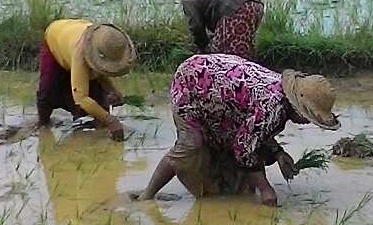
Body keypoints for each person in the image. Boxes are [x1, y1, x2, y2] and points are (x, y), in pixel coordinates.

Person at [133, 54, 340, 206]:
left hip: (215, 92)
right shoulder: (273, 105)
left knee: (233, 162)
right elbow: (244, 147)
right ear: (296, 104)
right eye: (309, 116)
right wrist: (265, 189)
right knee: (190, 145)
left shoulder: (279, 96)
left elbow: (253, 129)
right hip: (191, 85)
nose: (307, 122)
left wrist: (278, 153)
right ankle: (147, 195)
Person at [36, 19, 136, 141]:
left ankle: (97, 132)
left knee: (100, 101)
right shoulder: (81, 54)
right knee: (47, 91)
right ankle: (43, 125)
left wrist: (112, 90)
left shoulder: (103, 42)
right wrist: (111, 121)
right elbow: (81, 98)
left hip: (72, 34)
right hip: (55, 40)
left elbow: (100, 71)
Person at [182, 0, 264, 59]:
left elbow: (195, 25)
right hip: (257, 4)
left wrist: (202, 46)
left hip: (235, 7)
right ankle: (249, 71)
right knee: (245, 47)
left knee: (224, 53)